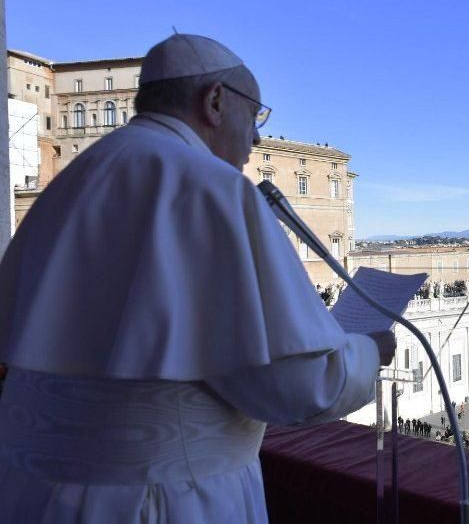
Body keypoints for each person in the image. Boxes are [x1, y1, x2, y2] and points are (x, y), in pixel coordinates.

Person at [0, 34, 396, 524]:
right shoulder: (212, 188)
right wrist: (366, 354)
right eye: (255, 117)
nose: (254, 139)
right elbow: (295, 387)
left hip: (30, 493)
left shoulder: (74, 182)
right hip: (161, 501)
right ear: (214, 101)